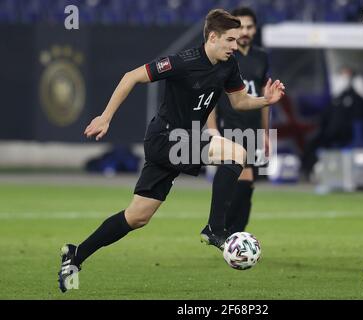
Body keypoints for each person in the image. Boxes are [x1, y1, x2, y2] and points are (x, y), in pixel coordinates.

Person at [58, 9, 285, 293]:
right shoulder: (182, 62)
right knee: (237, 153)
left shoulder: (229, 64)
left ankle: (76, 255)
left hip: (182, 141)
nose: (234, 45)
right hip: (166, 139)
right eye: (229, 40)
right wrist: (105, 117)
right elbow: (131, 77)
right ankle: (215, 229)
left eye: (236, 39)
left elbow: (238, 102)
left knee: (137, 216)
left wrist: (266, 100)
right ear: (212, 37)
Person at [206, 7, 270, 234]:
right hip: (230, 127)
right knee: (241, 182)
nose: (245, 31)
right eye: (240, 26)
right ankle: (222, 230)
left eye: (249, 27)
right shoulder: (225, 57)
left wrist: (265, 132)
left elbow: (264, 97)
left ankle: (232, 233)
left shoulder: (261, 57)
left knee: (247, 185)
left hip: (253, 128)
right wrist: (213, 130)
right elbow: (212, 98)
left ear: (255, 29)